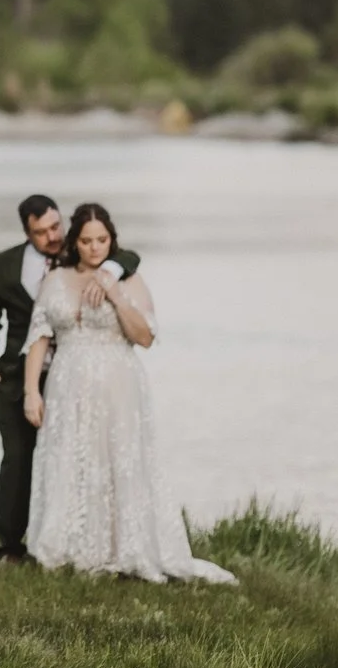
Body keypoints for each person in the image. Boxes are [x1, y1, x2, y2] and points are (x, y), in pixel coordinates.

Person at [20, 204, 233, 583]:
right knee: (71, 460)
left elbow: (145, 338)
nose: (94, 247)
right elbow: (39, 337)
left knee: (118, 461)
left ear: (111, 240)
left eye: (102, 240)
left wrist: (115, 294)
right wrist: (31, 391)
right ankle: (69, 546)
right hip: (67, 387)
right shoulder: (55, 280)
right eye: (86, 241)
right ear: (75, 242)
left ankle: (123, 547)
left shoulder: (129, 281)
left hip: (118, 387)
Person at [0, 195, 139, 563]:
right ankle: (9, 546)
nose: (51, 237)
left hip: (71, 377)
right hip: (16, 378)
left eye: (55, 227)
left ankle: (74, 540)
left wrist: (112, 270)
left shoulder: (82, 251)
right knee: (17, 458)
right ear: (26, 232)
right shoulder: (5, 264)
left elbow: (129, 256)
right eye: (41, 232)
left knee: (70, 458)